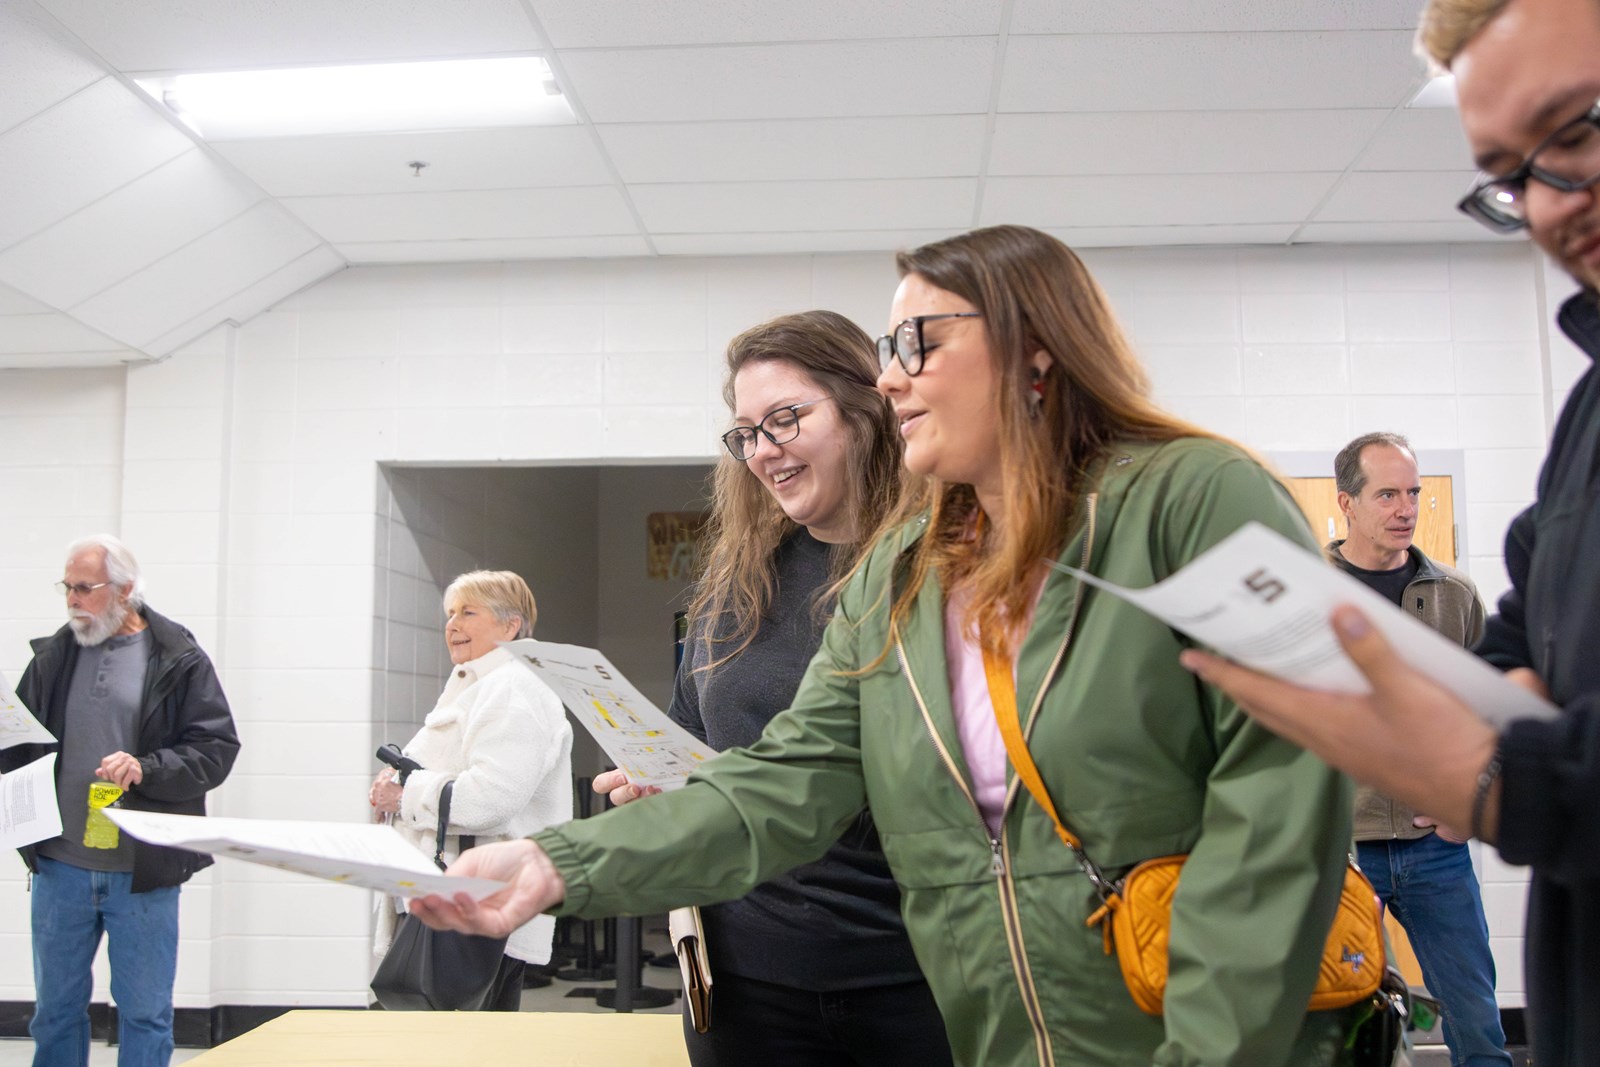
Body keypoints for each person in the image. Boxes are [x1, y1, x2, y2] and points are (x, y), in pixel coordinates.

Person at [414, 226, 1355, 1067]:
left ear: (1036, 350)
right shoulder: (901, 570)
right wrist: (558, 863)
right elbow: (788, 778)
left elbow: (1285, 805)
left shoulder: (1205, 497)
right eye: (884, 351)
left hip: (1180, 1031)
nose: (891, 376)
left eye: (917, 343)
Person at [1180, 0, 1600, 1061]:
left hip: (1447, 845)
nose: (1551, 205)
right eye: (1510, 175)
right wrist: (1504, 705)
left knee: (1467, 1012)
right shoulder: (1587, 411)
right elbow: (1526, 623)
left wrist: (1491, 772)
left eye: (1577, 131)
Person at [591, 310, 952, 1065]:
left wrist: (734, 786)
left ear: (867, 409)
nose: (763, 449)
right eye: (747, 431)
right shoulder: (735, 590)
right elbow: (693, 734)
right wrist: (662, 784)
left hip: (920, 979)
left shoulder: (943, 571)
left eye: (784, 418)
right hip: (745, 983)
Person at [1, 535, 239, 1067]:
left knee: (145, 1013)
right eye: (67, 587)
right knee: (56, 1013)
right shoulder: (55, 655)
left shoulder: (179, 658)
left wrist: (146, 768)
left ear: (126, 590)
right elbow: (19, 744)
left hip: (143, 870)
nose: (72, 600)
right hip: (60, 867)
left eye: (84, 588)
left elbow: (215, 750)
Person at [1327, 432, 1509, 1067]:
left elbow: (1492, 709)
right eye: (1387, 494)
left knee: (1478, 1024)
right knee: (1341, 1028)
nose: (1405, 508)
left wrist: (1474, 797)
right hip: (1338, 852)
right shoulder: (1304, 594)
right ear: (1347, 503)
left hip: (1436, 853)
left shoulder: (1453, 596)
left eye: (1413, 493)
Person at [368, 570, 572, 1011]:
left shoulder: (516, 686)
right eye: (449, 614)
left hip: (479, 908)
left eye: (468, 612)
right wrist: (399, 780)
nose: (452, 624)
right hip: (453, 900)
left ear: (510, 625)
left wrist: (404, 796)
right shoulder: (479, 683)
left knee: (463, 1046)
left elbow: (491, 798)